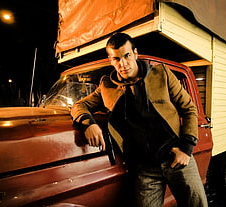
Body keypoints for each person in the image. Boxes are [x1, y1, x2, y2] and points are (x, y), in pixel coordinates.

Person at [71, 33, 208, 207]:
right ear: (110, 60)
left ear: (135, 53)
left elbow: (189, 108)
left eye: (127, 56)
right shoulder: (107, 86)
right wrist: (88, 123)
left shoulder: (162, 74)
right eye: (116, 59)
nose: (123, 64)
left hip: (176, 157)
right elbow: (79, 106)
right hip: (145, 168)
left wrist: (186, 148)